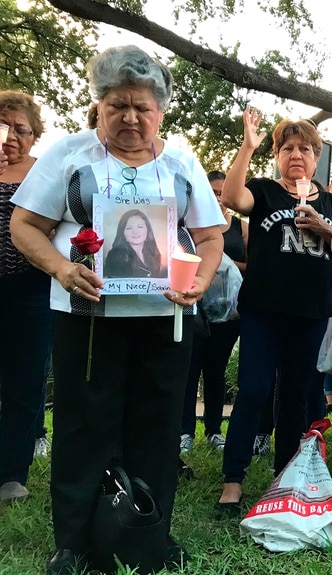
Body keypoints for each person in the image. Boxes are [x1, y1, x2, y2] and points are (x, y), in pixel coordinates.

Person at [10, 46, 224, 573]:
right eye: (118, 106)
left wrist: (198, 279)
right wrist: (62, 269)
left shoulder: (182, 164)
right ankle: (75, 544)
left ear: (161, 111)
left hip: (165, 319)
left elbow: (211, 235)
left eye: (142, 107)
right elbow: (23, 226)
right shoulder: (70, 156)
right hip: (85, 318)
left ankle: (147, 534)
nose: (130, 117)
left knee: (154, 426)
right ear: (100, 106)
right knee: (85, 426)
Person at [217, 106, 332, 514]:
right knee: (253, 390)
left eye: (305, 148)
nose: (296, 155)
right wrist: (246, 147)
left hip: (309, 313)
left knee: (294, 398)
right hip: (263, 310)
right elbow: (232, 198)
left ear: (316, 155)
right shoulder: (265, 191)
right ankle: (232, 480)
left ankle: (283, 478)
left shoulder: (331, 200)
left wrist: (327, 228)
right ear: (277, 155)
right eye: (287, 147)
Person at [0, 91, 52, 504]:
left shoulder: (44, 174)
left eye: (23, 129)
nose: (13, 136)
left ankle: (12, 473)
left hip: (30, 288)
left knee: (24, 382)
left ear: (35, 136)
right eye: (5, 126)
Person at [179, 170, 248, 453]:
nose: (217, 198)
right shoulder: (189, 224)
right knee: (189, 368)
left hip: (227, 311)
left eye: (221, 192)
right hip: (193, 305)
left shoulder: (240, 227)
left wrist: (224, 262)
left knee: (216, 369)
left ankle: (214, 429)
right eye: (211, 192)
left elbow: (252, 266)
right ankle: (184, 431)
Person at [103, 208, 166, 278]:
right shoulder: (115, 256)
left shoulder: (154, 254)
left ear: (148, 230)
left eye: (140, 227)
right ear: (122, 232)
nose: (135, 232)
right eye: (129, 228)